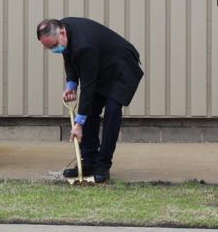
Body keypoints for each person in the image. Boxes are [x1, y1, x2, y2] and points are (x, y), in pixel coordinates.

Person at [36, 17, 144, 183]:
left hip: (122, 66)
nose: (54, 49)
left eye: (54, 45)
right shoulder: (63, 30)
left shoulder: (84, 45)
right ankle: (89, 161)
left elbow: (88, 87)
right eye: (50, 48)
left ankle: (103, 165)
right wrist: (71, 84)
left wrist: (78, 124)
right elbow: (68, 58)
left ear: (62, 32)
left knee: (112, 110)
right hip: (100, 65)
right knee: (91, 109)